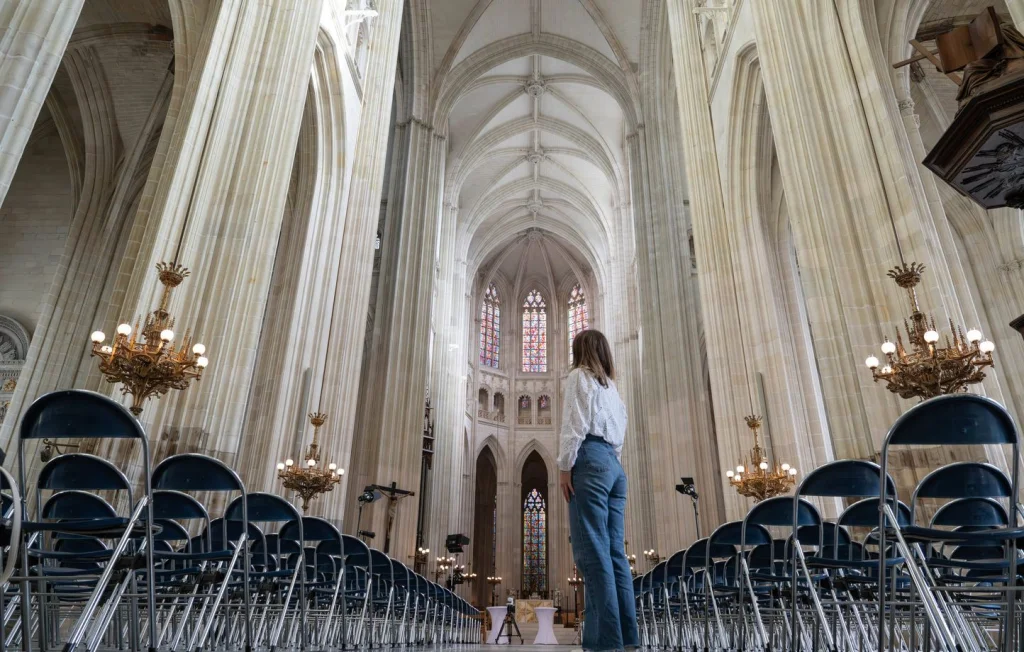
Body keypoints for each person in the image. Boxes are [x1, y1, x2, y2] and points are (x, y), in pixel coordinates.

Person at [558, 329, 638, 652]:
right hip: (615, 469)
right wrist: (610, 466)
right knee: (616, 555)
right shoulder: (612, 388)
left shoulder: (579, 377)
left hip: (589, 460)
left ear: (581, 351)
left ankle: (607, 643)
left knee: (593, 553)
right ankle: (627, 638)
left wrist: (565, 466)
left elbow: (574, 424)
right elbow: (621, 428)